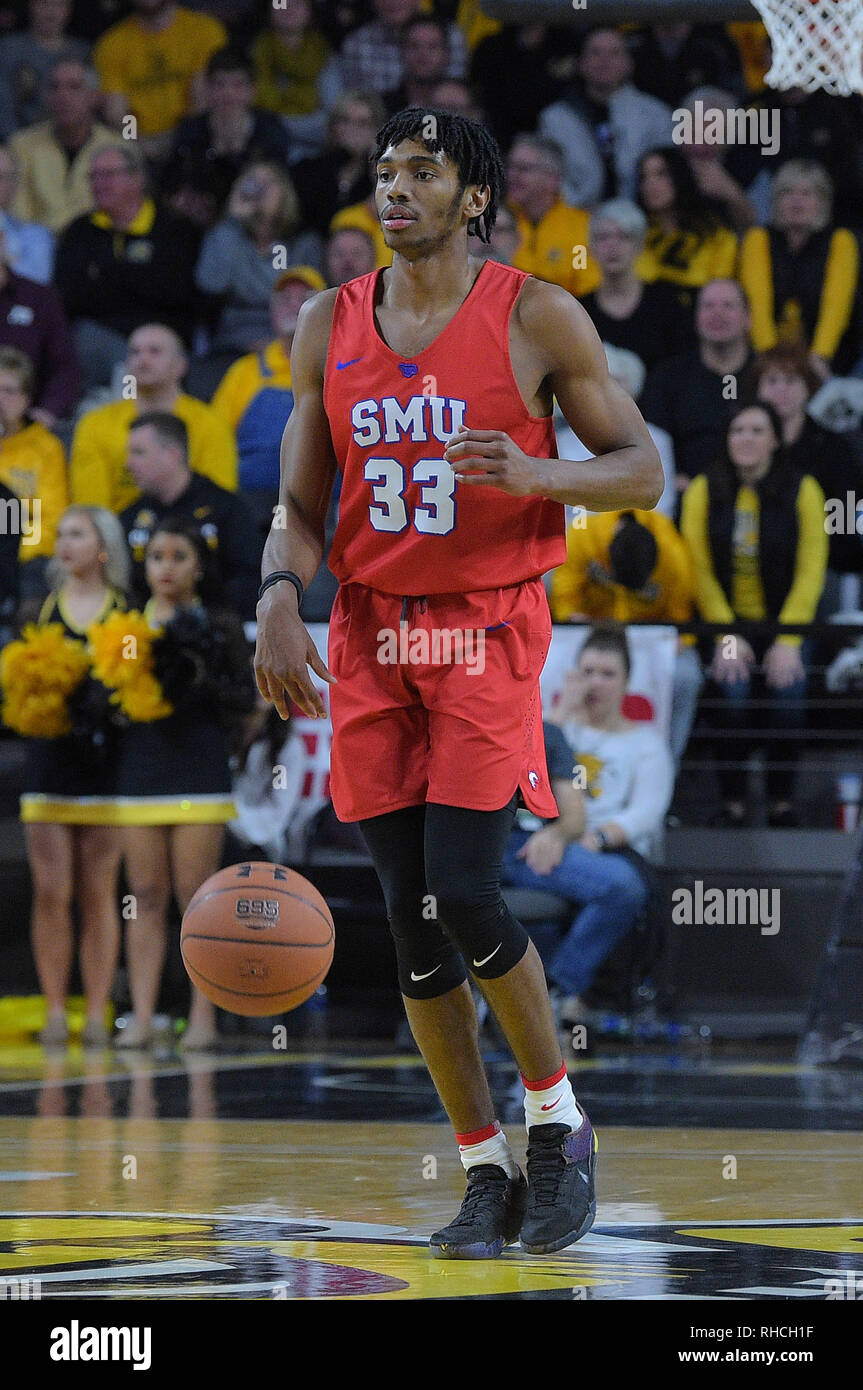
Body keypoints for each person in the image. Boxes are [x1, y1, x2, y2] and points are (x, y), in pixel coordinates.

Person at [254, 106, 663, 1259]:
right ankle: (483, 1166)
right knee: (411, 927)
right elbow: (298, 504)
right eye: (384, 171)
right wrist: (278, 599)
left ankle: (559, 1124)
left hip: (483, 630)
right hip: (372, 636)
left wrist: (535, 467)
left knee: (467, 894)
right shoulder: (326, 321)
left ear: (472, 195)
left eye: (422, 172)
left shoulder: (534, 312)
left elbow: (640, 473)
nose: (394, 189)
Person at [111, 515, 256, 1049]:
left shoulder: (218, 623)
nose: (165, 568)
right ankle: (143, 1016)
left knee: (198, 898)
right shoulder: (125, 624)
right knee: (144, 895)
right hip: (140, 771)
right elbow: (109, 699)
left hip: (199, 769)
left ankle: (202, 1016)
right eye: (156, 557)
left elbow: (246, 701)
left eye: (178, 557)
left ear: (200, 565)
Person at [514, 624, 673, 1026]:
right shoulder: (557, 727)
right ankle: (558, 994)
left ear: (626, 681)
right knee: (615, 886)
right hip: (527, 838)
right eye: (587, 672)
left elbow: (645, 812)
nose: (595, 683)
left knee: (625, 886)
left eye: (607, 674)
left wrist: (596, 838)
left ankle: (557, 987)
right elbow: (525, 768)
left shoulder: (644, 743)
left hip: (594, 844)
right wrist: (563, 712)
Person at [680, 401, 828, 826]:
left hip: (788, 622)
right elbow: (700, 569)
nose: (746, 438)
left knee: (789, 695)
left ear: (775, 440)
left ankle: (781, 801)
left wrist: (788, 640)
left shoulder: (805, 489)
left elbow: (810, 572)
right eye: (737, 430)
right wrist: (727, 635)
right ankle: (733, 803)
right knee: (732, 695)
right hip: (727, 622)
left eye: (757, 430)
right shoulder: (704, 490)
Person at [16, 504, 129, 1047]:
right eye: (60, 534)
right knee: (50, 890)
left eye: (78, 534)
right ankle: (56, 1008)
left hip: (107, 767)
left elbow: (135, 689)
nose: (65, 543)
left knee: (99, 890)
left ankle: (97, 1011)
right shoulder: (39, 611)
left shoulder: (126, 612)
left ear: (103, 545)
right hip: (49, 762)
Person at [549, 509, 700, 767]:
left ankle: (666, 767)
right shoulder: (582, 536)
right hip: (587, 635)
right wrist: (571, 616)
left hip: (647, 639)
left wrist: (676, 642)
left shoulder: (674, 552)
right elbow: (563, 600)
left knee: (687, 676)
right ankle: (548, 766)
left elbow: (682, 622)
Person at [54, 142, 201, 391]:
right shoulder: (79, 231)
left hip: (163, 338)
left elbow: (177, 293)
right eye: (93, 176)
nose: (98, 183)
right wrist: (139, 277)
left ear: (138, 178)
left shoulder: (176, 229)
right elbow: (70, 297)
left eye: (109, 175)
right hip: (97, 341)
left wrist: (104, 273)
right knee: (82, 338)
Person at [69, 322, 238, 514]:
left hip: (189, 534)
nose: (143, 359)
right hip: (117, 537)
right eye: (135, 352)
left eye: (154, 351)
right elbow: (92, 510)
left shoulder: (210, 424)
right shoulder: (95, 424)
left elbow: (218, 500)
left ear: (181, 365)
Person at [191, 159, 322, 400]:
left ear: (285, 192)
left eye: (267, 183)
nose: (258, 190)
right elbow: (210, 283)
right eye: (251, 182)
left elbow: (304, 294)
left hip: (291, 344)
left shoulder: (304, 243)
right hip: (233, 347)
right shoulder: (228, 236)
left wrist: (271, 343)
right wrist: (231, 222)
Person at [210, 266, 324, 533]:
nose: (293, 305)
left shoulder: (342, 368)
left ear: (324, 308)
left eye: (305, 297)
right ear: (271, 310)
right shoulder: (244, 372)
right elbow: (216, 439)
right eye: (284, 298)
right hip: (251, 503)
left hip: (324, 505)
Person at [120, 411, 260, 619]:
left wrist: (205, 623)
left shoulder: (228, 510)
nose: (128, 464)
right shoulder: (129, 516)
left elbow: (250, 580)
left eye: (138, 453)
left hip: (219, 635)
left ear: (172, 454)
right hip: (144, 634)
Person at [751, 344, 863, 594]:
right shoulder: (743, 445)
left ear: (808, 388)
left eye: (791, 380)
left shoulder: (835, 449)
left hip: (826, 565)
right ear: (758, 389)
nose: (781, 390)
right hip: (755, 565)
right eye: (772, 381)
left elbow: (845, 524)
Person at [738, 159, 860, 377]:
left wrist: (819, 356)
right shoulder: (758, 239)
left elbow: (837, 306)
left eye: (807, 193)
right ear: (776, 200)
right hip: (765, 357)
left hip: (832, 357)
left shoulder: (841, 241)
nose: (797, 201)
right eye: (788, 193)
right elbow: (756, 303)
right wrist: (770, 359)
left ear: (822, 201)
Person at [640, 277, 754, 494]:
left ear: (748, 318)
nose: (717, 313)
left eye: (728, 305)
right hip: (682, 495)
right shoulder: (667, 377)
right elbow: (651, 442)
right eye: (708, 306)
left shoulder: (765, 375)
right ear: (696, 317)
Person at [538, 26, 673, 208]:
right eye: (595, 53)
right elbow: (548, 175)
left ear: (629, 64)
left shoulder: (657, 115)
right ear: (581, 63)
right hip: (577, 220)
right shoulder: (554, 119)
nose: (605, 61)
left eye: (615, 53)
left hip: (644, 220)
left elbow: (668, 176)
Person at [166, 47, 293, 219]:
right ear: (207, 89)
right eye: (220, 85)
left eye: (238, 85)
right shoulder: (190, 131)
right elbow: (176, 187)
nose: (228, 93)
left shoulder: (271, 131)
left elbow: (279, 189)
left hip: (254, 217)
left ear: (252, 91)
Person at [93, 0, 228, 156]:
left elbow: (201, 101)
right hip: (140, 145)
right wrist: (136, 143)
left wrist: (181, 140)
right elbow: (119, 113)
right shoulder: (112, 44)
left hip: (194, 139)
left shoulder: (204, 31)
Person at [580, 198, 693, 374]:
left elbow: (681, 369)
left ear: (639, 245)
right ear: (591, 247)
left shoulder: (667, 304)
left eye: (624, 237)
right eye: (603, 237)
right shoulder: (580, 311)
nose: (612, 246)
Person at [7, 56, 116, 232]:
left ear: (94, 97)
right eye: (54, 87)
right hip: (37, 252)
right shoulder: (21, 146)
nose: (62, 96)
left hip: (99, 250)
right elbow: (17, 218)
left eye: (74, 87)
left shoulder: (117, 149)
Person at [0, 346, 69, 599]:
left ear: (27, 398)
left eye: (8, 390)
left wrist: (9, 553)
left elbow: (50, 523)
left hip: (24, 560)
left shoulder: (45, 447)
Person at [635, 145, 738, 306]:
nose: (650, 184)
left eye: (661, 174)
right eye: (644, 177)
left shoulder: (716, 234)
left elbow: (720, 294)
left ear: (679, 176)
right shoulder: (634, 234)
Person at [0, 224, 79, 425]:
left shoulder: (39, 299)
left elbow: (65, 367)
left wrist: (47, 411)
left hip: (28, 424)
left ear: (2, 240)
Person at [505, 135, 600, 299]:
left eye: (524, 169)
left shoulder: (580, 229)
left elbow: (585, 283)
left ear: (553, 178)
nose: (513, 176)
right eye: (511, 166)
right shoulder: (495, 222)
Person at [290, 91, 385, 240]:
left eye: (363, 123)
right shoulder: (306, 170)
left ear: (376, 131)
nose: (352, 129)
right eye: (345, 120)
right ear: (333, 126)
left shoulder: (379, 179)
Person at [339, 0, 468, 98]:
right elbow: (355, 105)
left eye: (432, 47)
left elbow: (457, 98)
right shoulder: (356, 44)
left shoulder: (451, 36)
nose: (393, 2)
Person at [0, 0, 89, 142]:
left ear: (69, 8)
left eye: (59, 4)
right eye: (44, 3)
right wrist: (18, 146)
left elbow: (90, 107)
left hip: (73, 143)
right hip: (20, 144)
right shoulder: (8, 49)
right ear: (31, 5)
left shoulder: (83, 53)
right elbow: (3, 109)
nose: (51, 11)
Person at [384, 15, 452, 117]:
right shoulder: (383, 108)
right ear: (401, 52)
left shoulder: (461, 108)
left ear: (446, 54)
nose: (423, 54)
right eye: (414, 46)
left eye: (432, 47)